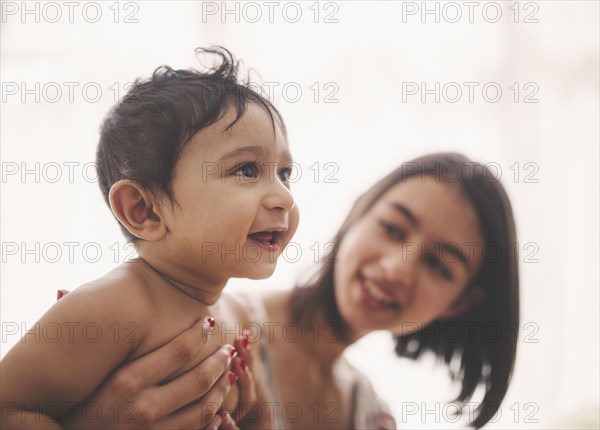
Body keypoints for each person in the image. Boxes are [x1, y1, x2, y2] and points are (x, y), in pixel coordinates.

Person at [0, 47, 299, 430]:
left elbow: (259, 417)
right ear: (144, 210)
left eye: (285, 174)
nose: (285, 198)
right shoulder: (111, 308)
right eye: (246, 169)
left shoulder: (238, 317)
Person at [239, 152, 519, 429]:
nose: (397, 269)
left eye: (437, 265)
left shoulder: (375, 420)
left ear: (459, 303)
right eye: (392, 229)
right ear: (359, 208)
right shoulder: (220, 333)